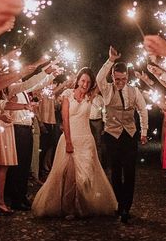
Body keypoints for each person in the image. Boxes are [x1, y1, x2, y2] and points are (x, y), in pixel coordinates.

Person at [32, 68, 117, 218]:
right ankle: (69, 208)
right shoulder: (67, 95)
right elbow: (65, 120)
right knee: (70, 176)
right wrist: (69, 142)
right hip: (70, 139)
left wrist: (110, 61)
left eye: (88, 82)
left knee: (85, 176)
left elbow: (100, 76)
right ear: (78, 80)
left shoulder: (90, 96)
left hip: (86, 140)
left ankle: (83, 206)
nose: (85, 84)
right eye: (83, 80)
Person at [96, 47, 148, 223]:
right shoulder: (107, 89)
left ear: (127, 77)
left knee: (130, 170)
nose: (120, 82)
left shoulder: (134, 91)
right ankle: (119, 203)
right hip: (112, 134)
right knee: (116, 171)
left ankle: (127, 206)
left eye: (124, 79)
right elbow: (98, 77)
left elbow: (142, 110)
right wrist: (110, 60)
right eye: (118, 79)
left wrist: (144, 131)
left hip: (130, 134)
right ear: (113, 76)